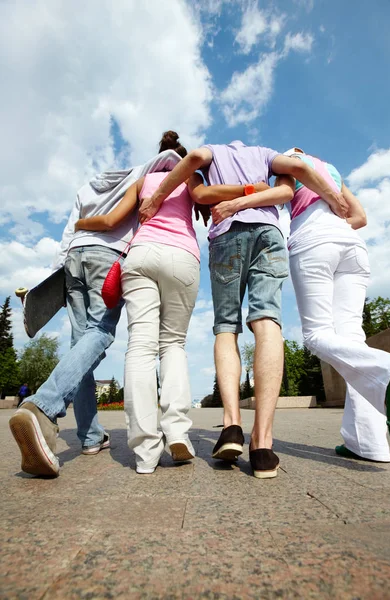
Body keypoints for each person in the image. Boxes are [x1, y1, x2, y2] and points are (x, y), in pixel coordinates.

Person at [138, 140, 349, 478]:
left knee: (226, 327)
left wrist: (155, 198)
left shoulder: (213, 151)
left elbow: (192, 160)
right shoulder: (266, 156)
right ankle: (263, 445)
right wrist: (336, 198)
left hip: (228, 235)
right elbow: (299, 173)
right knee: (268, 321)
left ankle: (231, 425)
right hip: (269, 234)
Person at [212, 146, 390, 462]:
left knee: (317, 336)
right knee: (352, 340)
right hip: (352, 245)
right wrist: (333, 225)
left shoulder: (292, 163)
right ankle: (367, 443)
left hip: (314, 241)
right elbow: (360, 217)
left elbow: (283, 193)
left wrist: (237, 203)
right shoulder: (332, 169)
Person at [9, 146, 182, 477]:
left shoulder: (86, 186)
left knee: (81, 348)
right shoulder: (139, 172)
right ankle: (43, 407)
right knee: (100, 334)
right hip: (108, 257)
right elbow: (174, 158)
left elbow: (68, 234)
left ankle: (90, 437)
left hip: (74, 260)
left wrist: (52, 280)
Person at [74, 131, 202, 474]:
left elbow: (111, 221)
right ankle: (177, 433)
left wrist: (79, 223)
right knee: (173, 343)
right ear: (182, 157)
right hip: (181, 257)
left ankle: (145, 452)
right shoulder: (191, 176)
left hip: (140, 255)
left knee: (140, 347)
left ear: (158, 156)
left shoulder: (143, 180)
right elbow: (209, 200)